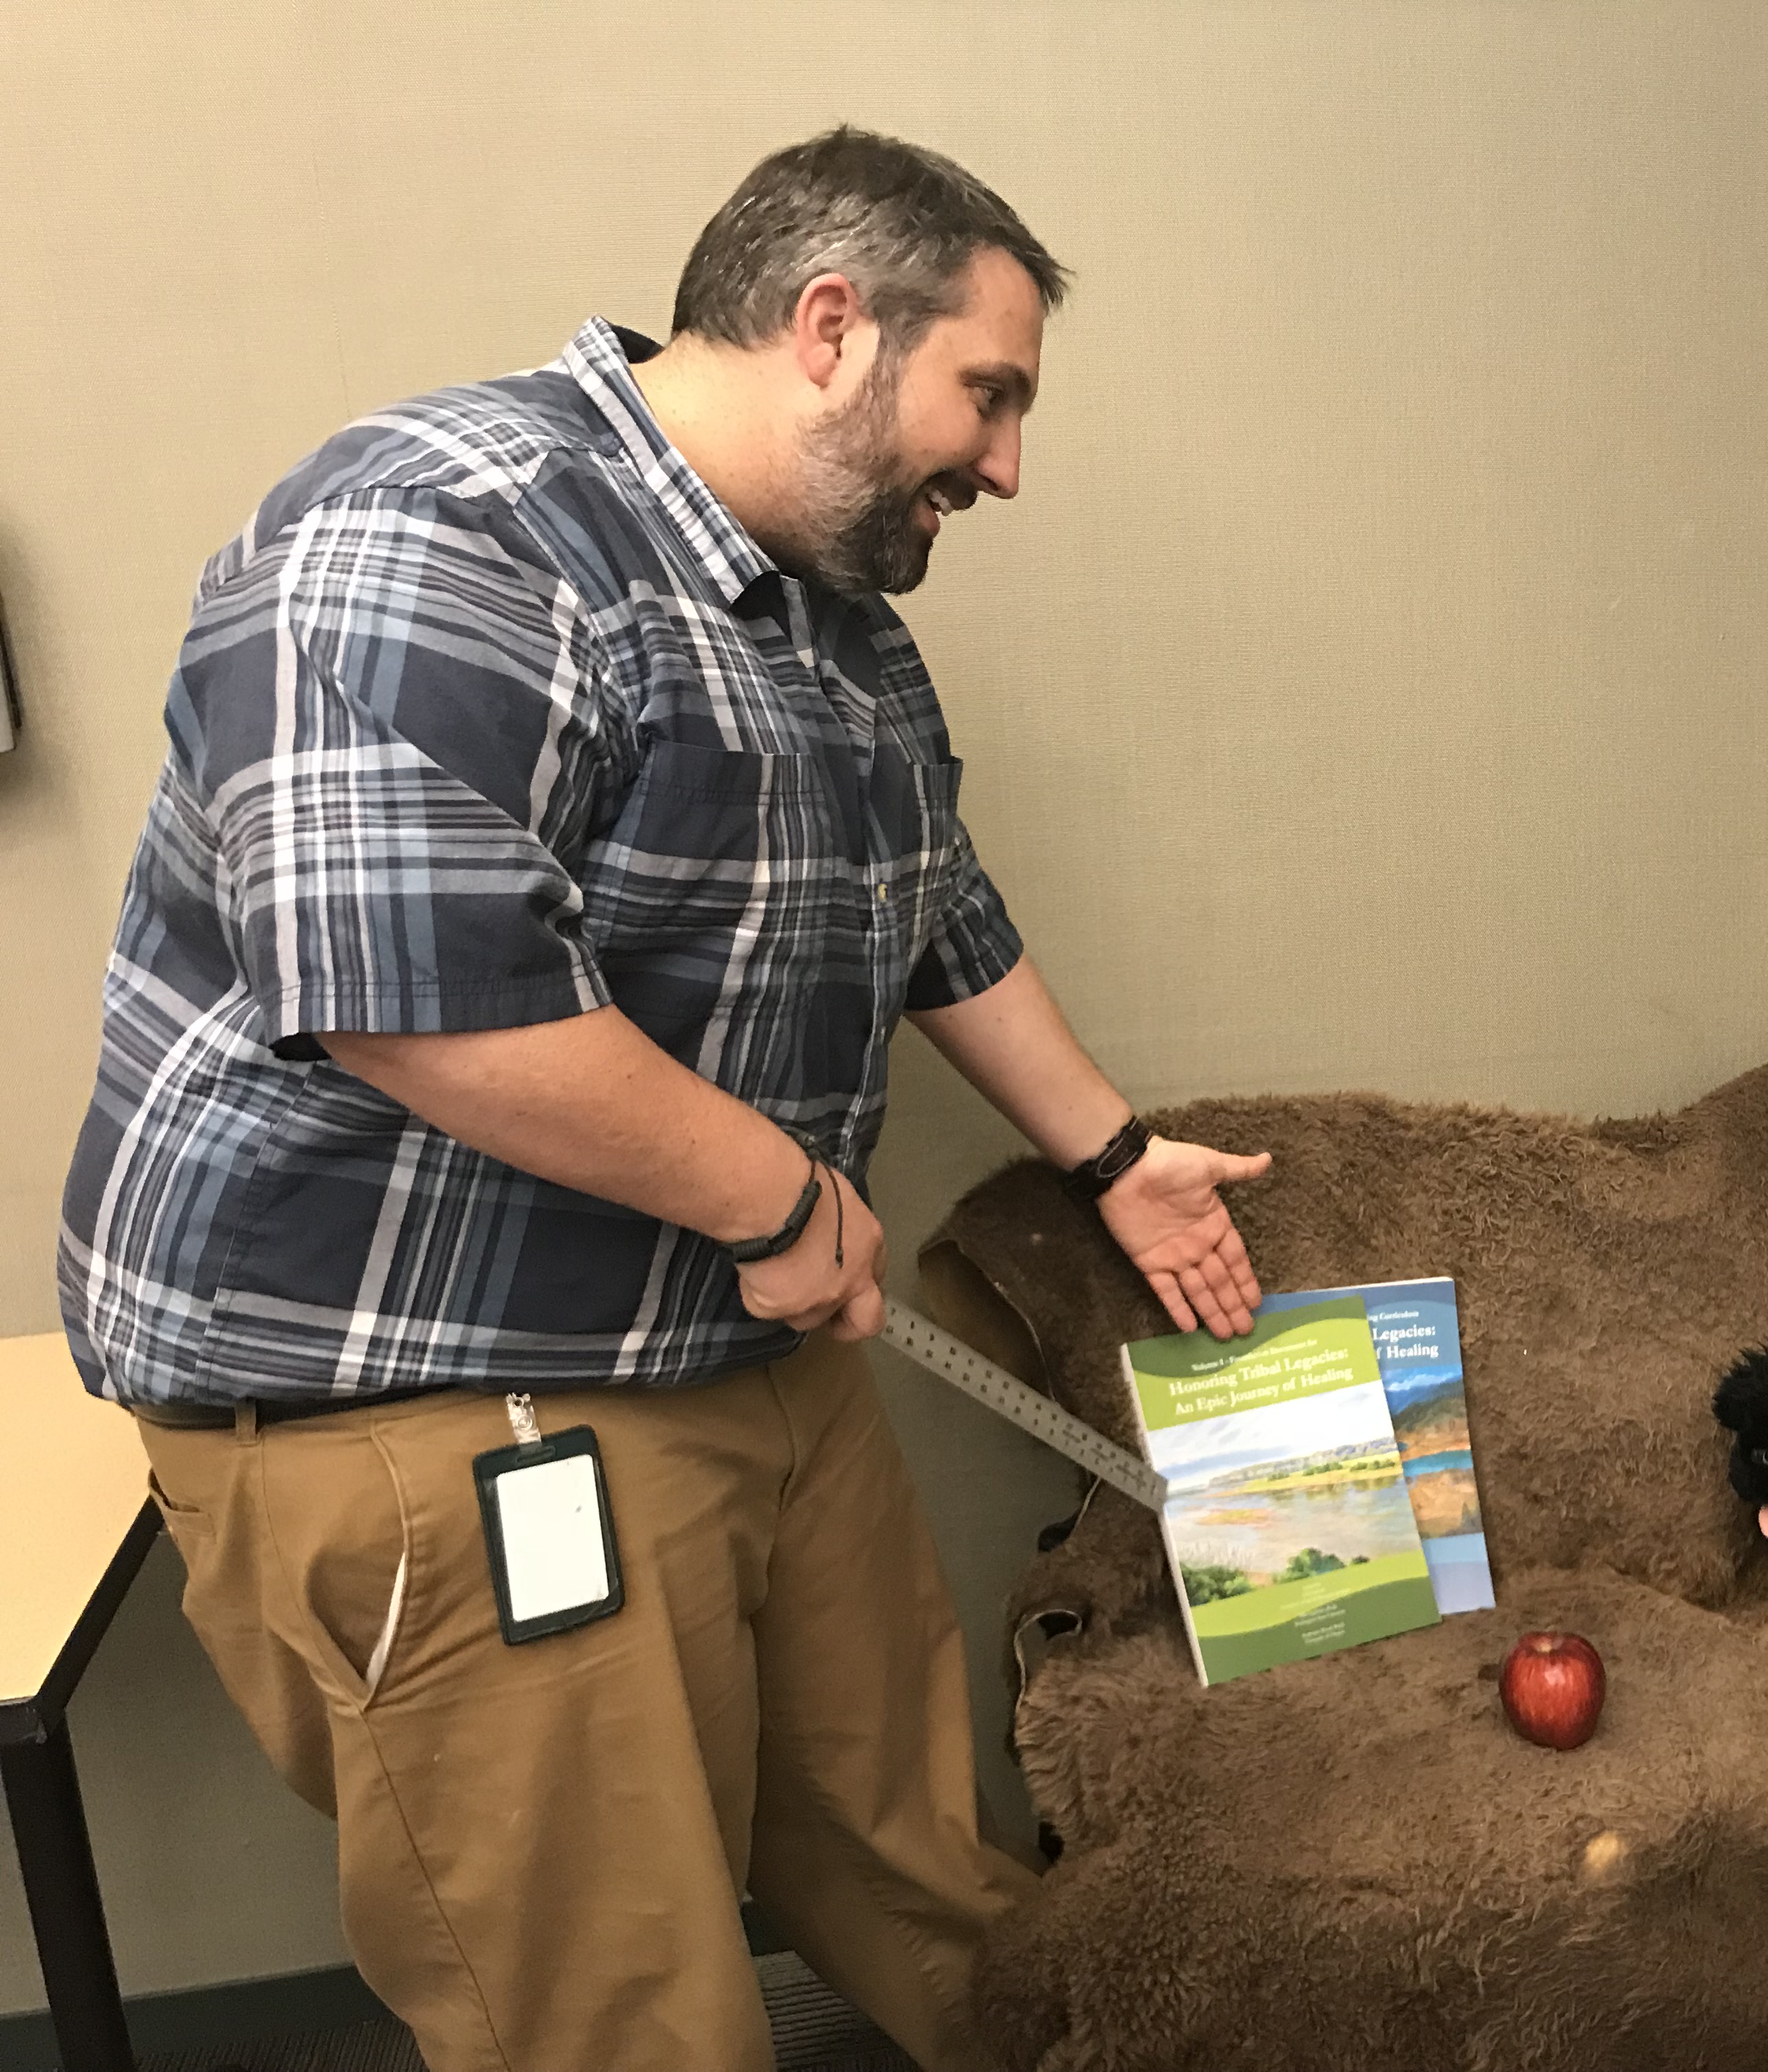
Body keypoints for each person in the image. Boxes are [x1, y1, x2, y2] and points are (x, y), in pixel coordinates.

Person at [56, 127, 1267, 2072]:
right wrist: (782, 1204)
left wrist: (1111, 1154)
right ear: (829, 327)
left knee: (914, 1848)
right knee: (619, 2000)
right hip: (442, 1399)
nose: (1008, 464)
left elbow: (930, 899)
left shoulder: (836, 625)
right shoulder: (442, 525)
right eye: (992, 393)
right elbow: (409, 997)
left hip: (737, 1340)